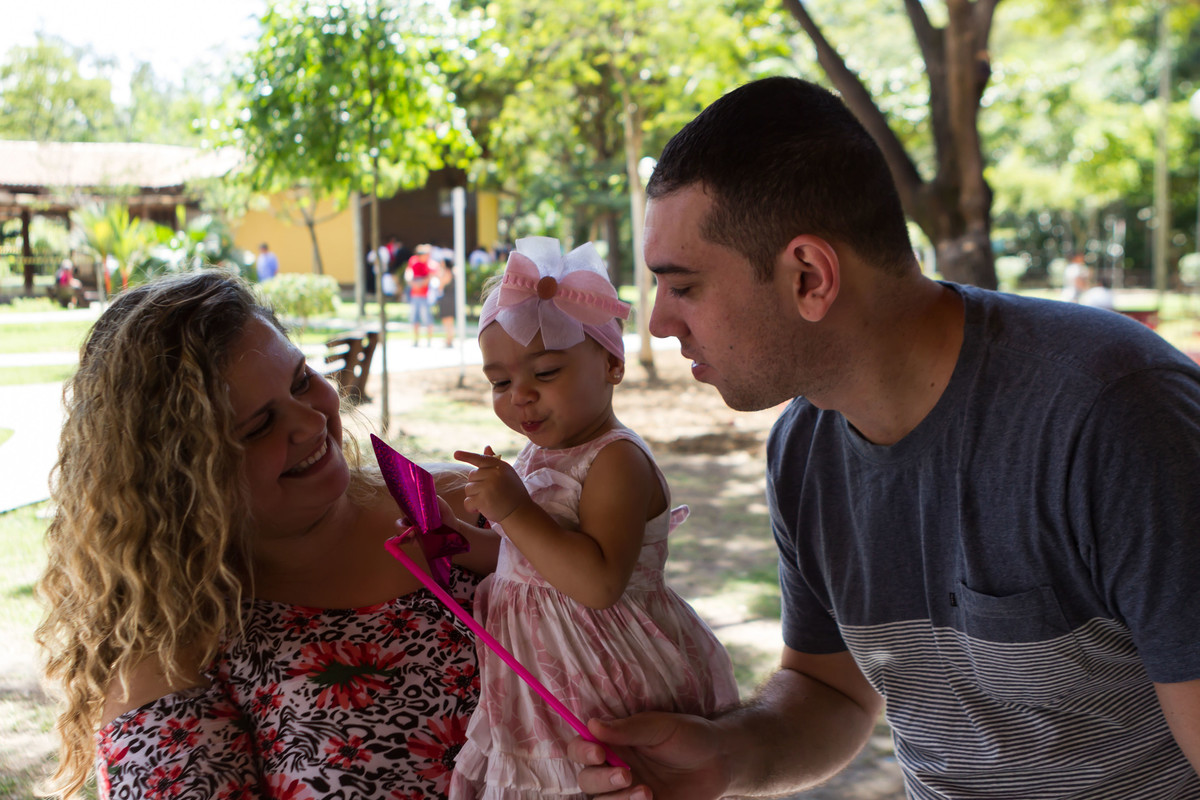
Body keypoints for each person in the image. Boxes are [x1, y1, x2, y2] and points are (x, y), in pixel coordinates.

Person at [568, 77, 1200, 799]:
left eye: (683, 286)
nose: (658, 323)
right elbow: (828, 691)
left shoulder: (1112, 413)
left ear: (809, 275)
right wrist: (725, 755)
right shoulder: (802, 449)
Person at [36, 271, 499, 800]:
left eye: (301, 379)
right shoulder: (173, 656)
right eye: (257, 427)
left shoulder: (463, 505)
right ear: (178, 480)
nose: (309, 422)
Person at [447, 237, 739, 799]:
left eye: (547, 371)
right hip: (542, 681)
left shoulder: (615, 460)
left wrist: (514, 508)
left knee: (601, 783)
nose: (522, 397)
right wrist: (456, 541)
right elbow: (528, 559)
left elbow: (597, 582)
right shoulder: (539, 454)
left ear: (611, 364)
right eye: (501, 383)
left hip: (602, 675)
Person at [405, 244, 437, 346]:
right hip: (415, 294)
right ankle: (416, 340)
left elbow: (431, 277)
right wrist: (412, 283)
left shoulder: (431, 264)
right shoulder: (413, 261)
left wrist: (420, 283)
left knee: (427, 318)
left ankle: (429, 340)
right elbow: (408, 273)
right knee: (415, 318)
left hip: (425, 295)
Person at [435, 256, 457, 347]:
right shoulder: (453, 272)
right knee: (449, 321)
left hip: (446, 299)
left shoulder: (447, 273)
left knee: (447, 320)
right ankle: (449, 338)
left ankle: (449, 339)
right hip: (450, 298)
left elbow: (441, 285)